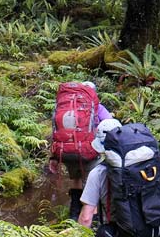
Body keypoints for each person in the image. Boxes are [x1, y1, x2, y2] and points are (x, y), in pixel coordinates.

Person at [48, 80, 112, 218]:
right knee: (91, 184)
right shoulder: (98, 107)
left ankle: (74, 212)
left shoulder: (63, 106)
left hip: (66, 151)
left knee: (75, 179)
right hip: (89, 151)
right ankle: (92, 219)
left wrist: (53, 157)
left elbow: (55, 131)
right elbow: (111, 124)